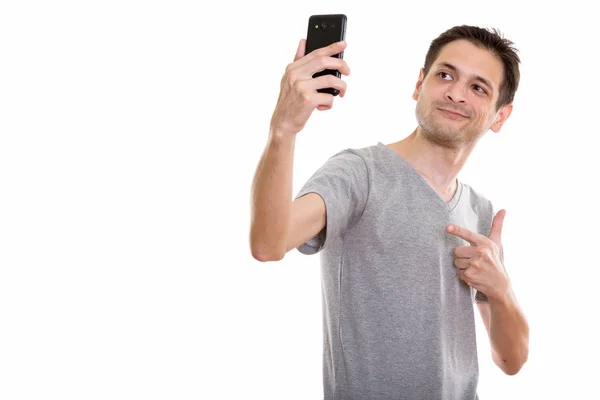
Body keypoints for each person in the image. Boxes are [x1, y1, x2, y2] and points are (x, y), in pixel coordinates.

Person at [249, 25, 529, 400]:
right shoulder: (359, 173)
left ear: (500, 116)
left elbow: (511, 361)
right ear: (419, 84)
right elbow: (268, 244)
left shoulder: (480, 211)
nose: (455, 93)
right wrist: (283, 130)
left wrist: (502, 289)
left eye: (478, 88)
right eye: (445, 75)